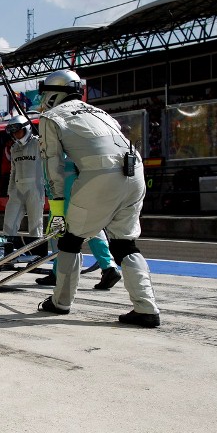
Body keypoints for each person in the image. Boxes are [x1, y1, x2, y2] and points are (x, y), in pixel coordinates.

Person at [36, 69, 159, 327]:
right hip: (134, 172)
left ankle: (60, 302)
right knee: (125, 244)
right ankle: (147, 308)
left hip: (101, 174)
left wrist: (57, 205)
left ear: (53, 93)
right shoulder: (100, 112)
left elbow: (53, 166)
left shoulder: (51, 116)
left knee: (71, 240)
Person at [35, 155, 122, 290]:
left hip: (65, 181)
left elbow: (53, 162)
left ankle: (58, 272)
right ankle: (109, 266)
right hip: (87, 179)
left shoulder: (54, 136)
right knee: (90, 224)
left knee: (57, 227)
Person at [2, 115, 45, 251]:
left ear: (26, 128)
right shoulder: (14, 148)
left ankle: (37, 257)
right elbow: (13, 171)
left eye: (18, 130)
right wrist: (10, 190)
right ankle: (7, 257)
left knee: (35, 225)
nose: (16, 134)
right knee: (9, 224)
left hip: (35, 189)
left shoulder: (39, 144)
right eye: (13, 132)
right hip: (17, 190)